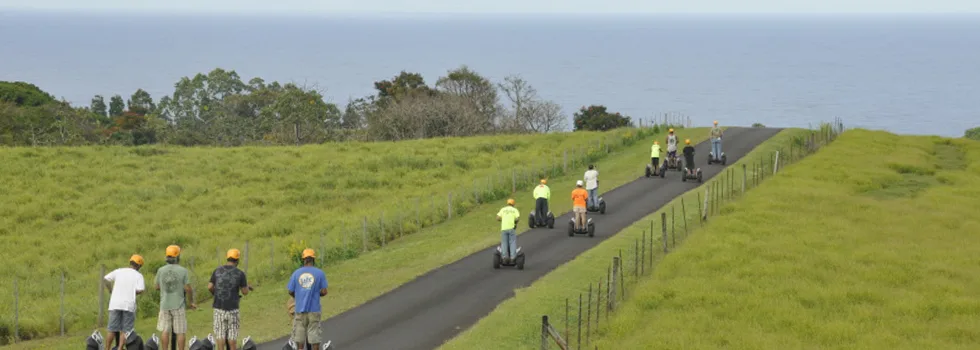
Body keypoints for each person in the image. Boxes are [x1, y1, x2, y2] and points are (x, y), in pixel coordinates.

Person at [208, 248, 252, 350]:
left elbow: (210, 286)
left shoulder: (217, 270)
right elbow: (245, 292)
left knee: (220, 336)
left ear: (227, 258)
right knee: (232, 338)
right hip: (233, 309)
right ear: (237, 260)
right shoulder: (240, 273)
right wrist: (247, 287)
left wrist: (216, 294)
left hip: (219, 307)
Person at [156, 245, 196, 350]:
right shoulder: (183, 271)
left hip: (164, 304)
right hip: (178, 304)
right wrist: (191, 301)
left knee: (165, 330)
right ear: (177, 257)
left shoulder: (160, 270)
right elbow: (188, 288)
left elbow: (157, 286)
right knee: (180, 331)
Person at [287, 249, 329, 350]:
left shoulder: (296, 273)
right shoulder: (320, 273)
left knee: (299, 338)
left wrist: (298, 296)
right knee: (314, 336)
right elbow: (324, 291)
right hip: (314, 309)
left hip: (300, 310)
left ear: (304, 260)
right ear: (313, 260)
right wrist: (316, 293)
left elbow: (290, 291)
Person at [103, 255, 146, 350]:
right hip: (128, 305)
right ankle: (120, 348)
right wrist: (131, 292)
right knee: (125, 330)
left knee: (111, 329)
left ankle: (107, 348)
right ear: (139, 266)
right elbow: (141, 289)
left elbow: (105, 279)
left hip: (115, 304)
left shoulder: (119, 271)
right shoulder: (138, 275)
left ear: (130, 262)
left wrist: (111, 290)